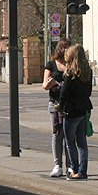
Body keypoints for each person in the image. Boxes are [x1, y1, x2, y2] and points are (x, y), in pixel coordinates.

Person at [58, 44, 93, 179]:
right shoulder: (87, 72)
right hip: (83, 109)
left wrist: (60, 105)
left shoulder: (70, 72)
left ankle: (74, 170)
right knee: (82, 143)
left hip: (70, 111)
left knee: (70, 142)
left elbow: (64, 93)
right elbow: (89, 92)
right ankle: (83, 171)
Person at [43, 38, 72, 177]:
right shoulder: (51, 64)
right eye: (67, 48)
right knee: (57, 134)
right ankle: (57, 165)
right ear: (61, 49)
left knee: (69, 135)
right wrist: (53, 82)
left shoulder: (72, 64)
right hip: (55, 103)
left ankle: (70, 165)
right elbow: (45, 85)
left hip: (69, 103)